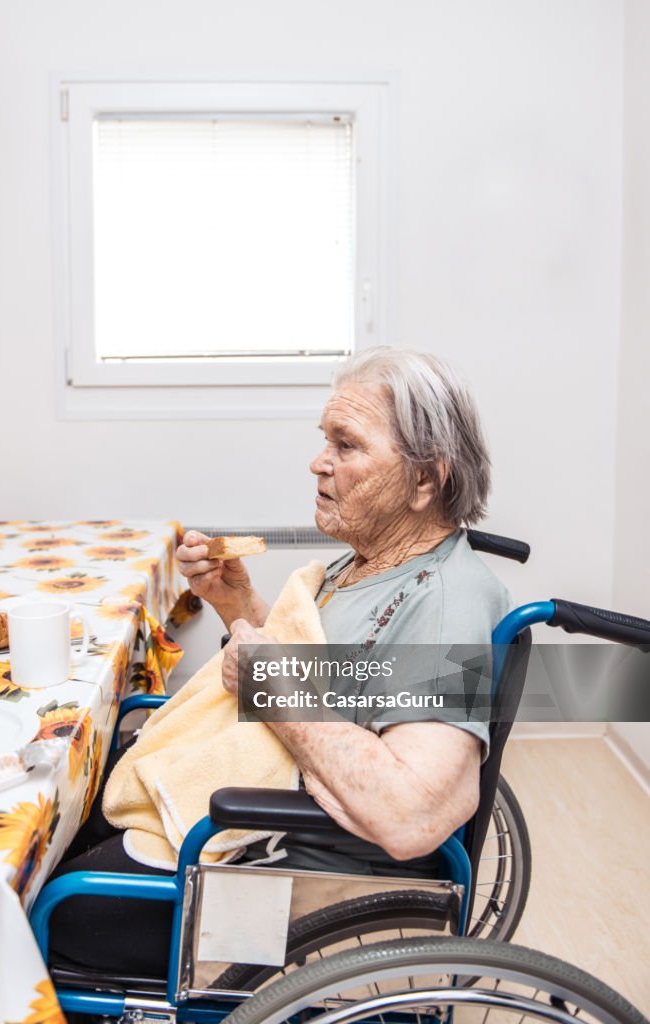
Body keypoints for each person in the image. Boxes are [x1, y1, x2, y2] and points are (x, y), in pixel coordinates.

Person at [47, 346, 511, 975]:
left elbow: (411, 811)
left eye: (346, 446)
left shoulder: (449, 601)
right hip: (256, 827)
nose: (318, 462)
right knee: (59, 828)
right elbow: (345, 688)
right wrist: (237, 603)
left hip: (292, 885)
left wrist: (269, 681)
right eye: (325, 440)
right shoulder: (371, 564)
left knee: (47, 915)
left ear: (426, 480)